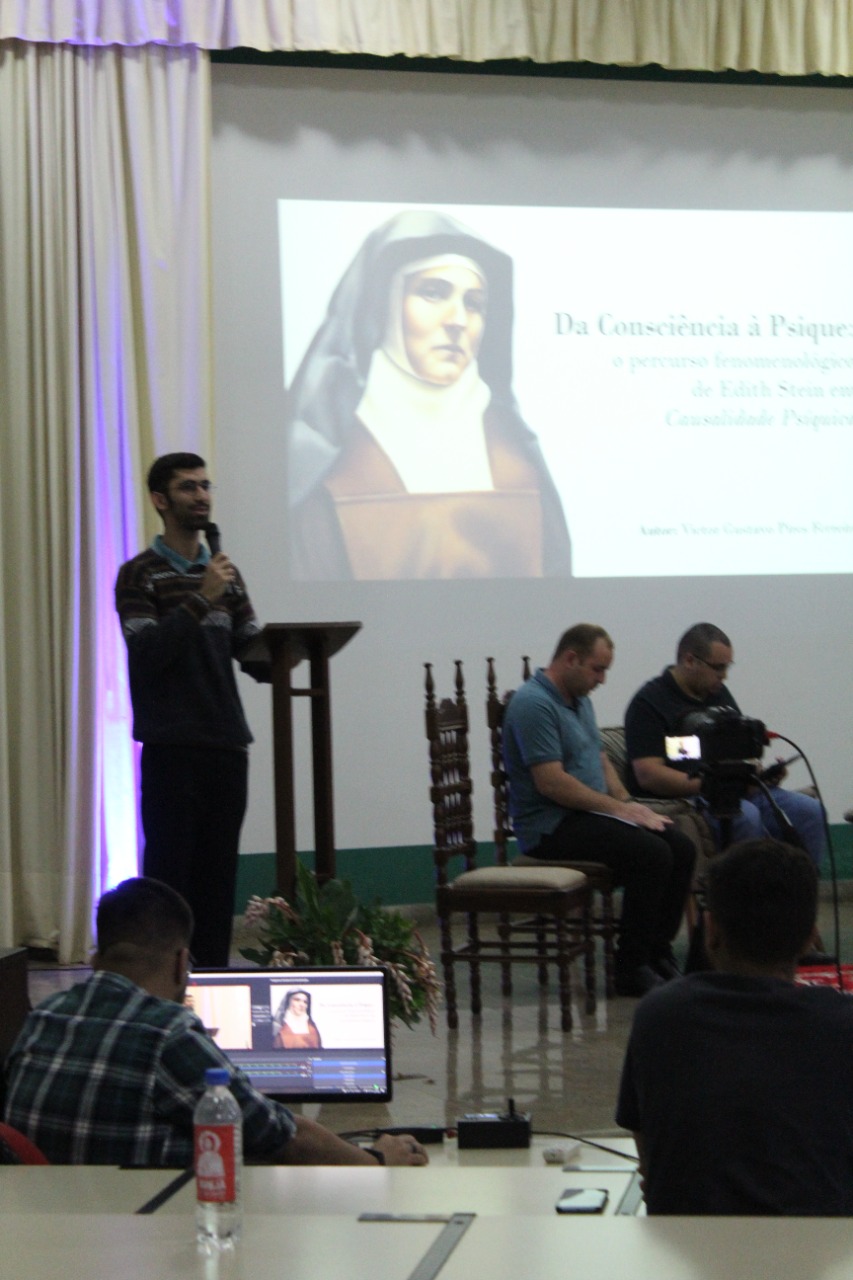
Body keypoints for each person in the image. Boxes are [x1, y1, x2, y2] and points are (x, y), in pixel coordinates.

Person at [2, 878, 428, 1169]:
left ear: (97, 957)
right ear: (181, 962)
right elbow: (283, 1138)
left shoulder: (45, 1016)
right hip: (141, 1232)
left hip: (48, 1230)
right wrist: (376, 1160)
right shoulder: (166, 1031)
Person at [287, 208, 571, 580]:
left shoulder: (518, 458)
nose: (458, 320)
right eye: (433, 293)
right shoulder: (324, 462)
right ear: (385, 306)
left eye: (474, 304)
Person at [616, 838, 853, 1215]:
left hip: (687, 1242)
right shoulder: (842, 1023)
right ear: (810, 938)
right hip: (814, 1242)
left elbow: (649, 1160)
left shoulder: (659, 1014)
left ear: (710, 930)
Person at [115, 452, 267, 966]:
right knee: (170, 882)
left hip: (226, 744)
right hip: (173, 746)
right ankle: (163, 984)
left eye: (205, 486)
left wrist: (291, 652)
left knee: (217, 880)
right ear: (160, 500)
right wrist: (202, 598)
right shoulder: (139, 574)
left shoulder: (225, 574)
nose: (201, 496)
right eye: (188, 487)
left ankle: (213, 981)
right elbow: (148, 653)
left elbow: (251, 650)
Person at [502, 624, 696, 997]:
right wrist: (619, 811)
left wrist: (628, 803)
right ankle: (631, 968)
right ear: (570, 658)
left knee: (681, 846)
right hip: (551, 826)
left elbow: (600, 757)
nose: (602, 680)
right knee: (651, 854)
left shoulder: (580, 699)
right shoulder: (533, 704)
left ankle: (658, 953)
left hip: (587, 816)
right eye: (597, 669)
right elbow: (552, 783)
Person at [623, 622, 826, 866]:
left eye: (727, 667)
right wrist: (714, 785)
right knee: (746, 817)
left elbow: (741, 752)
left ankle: (801, 888)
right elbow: (648, 775)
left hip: (736, 791)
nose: (724, 676)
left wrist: (759, 776)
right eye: (718, 668)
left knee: (810, 811)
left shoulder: (718, 694)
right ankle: (743, 890)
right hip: (690, 796)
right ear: (689, 660)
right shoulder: (649, 703)